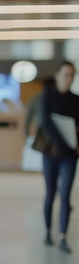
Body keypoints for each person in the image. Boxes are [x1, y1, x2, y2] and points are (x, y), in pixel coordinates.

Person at [25, 62, 79, 253]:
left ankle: (63, 237)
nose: (69, 79)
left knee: (65, 195)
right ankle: (48, 232)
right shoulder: (48, 96)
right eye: (66, 75)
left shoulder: (76, 100)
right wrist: (66, 140)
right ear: (57, 75)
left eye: (72, 76)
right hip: (51, 154)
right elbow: (47, 124)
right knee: (50, 194)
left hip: (70, 156)